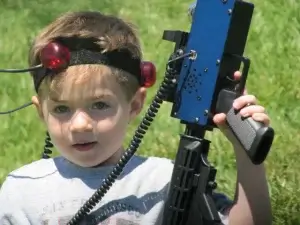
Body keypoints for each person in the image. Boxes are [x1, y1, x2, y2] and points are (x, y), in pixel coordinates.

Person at [0, 11, 272, 225]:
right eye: (61, 109)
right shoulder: (22, 190)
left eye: (99, 104)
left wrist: (246, 152)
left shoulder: (166, 179)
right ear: (40, 111)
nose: (80, 125)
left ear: (135, 105)